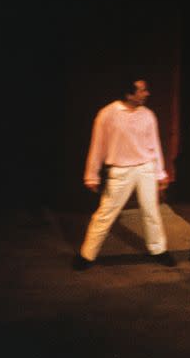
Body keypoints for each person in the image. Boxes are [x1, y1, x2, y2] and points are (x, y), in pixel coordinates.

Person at [73, 79, 176, 270]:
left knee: (151, 212)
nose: (146, 93)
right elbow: (97, 146)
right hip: (120, 170)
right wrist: (91, 175)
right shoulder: (107, 114)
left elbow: (155, 145)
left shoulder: (148, 115)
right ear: (129, 94)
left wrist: (160, 173)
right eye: (142, 90)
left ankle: (159, 250)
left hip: (145, 168)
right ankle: (87, 255)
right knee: (105, 213)